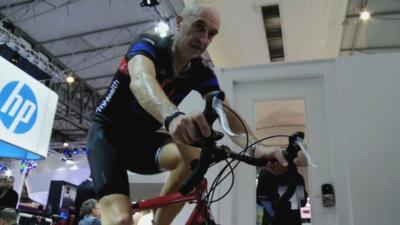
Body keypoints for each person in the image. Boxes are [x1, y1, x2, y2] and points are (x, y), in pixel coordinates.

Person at [87, 2, 290, 225]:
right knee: (120, 221)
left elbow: (226, 113)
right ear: (180, 22)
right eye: (199, 27)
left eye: (211, 34)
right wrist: (172, 116)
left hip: (142, 143)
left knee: (192, 158)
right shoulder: (150, 45)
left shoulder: (200, 71)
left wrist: (258, 148)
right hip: (107, 136)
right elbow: (141, 81)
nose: (204, 39)